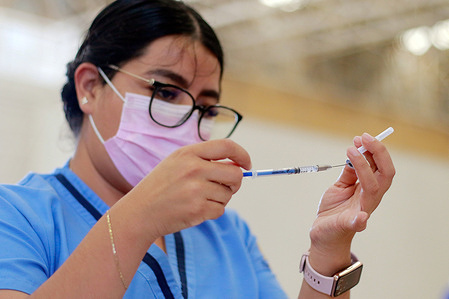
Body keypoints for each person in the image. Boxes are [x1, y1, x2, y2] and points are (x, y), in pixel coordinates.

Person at [0, 0, 395, 298]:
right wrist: (140, 217)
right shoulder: (17, 217)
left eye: (206, 107)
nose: (189, 119)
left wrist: (328, 250)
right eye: (166, 91)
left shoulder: (225, 233)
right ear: (90, 87)